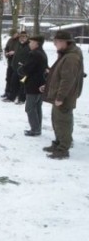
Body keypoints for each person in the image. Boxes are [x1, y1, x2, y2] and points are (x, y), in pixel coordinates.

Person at [42, 31, 85, 159]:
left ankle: (63, 149)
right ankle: (58, 142)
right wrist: (49, 86)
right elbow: (59, 75)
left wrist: (60, 97)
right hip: (60, 95)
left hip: (64, 97)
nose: (54, 44)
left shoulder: (71, 57)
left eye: (56, 42)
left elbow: (67, 80)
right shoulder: (66, 54)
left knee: (63, 122)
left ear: (64, 42)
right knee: (57, 120)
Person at [20, 35, 48, 137]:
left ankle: (35, 129)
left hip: (33, 84)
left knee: (30, 108)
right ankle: (37, 127)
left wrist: (21, 69)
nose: (29, 44)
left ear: (37, 44)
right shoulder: (42, 53)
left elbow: (27, 69)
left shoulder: (34, 54)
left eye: (31, 42)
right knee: (37, 107)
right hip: (40, 83)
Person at [4, 31, 29, 104]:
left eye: (24, 37)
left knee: (22, 84)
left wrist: (24, 64)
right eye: (21, 37)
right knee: (13, 83)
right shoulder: (18, 45)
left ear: (27, 38)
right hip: (15, 68)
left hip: (24, 69)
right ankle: (11, 97)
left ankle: (21, 99)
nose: (22, 38)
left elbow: (30, 57)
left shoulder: (29, 46)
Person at [3, 29, 20, 98]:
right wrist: (6, 53)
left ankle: (14, 93)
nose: (13, 36)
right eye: (12, 34)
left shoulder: (19, 41)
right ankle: (7, 91)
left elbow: (20, 50)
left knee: (14, 79)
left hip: (16, 62)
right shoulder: (10, 40)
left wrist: (14, 52)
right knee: (8, 77)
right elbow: (6, 48)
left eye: (15, 34)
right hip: (10, 61)